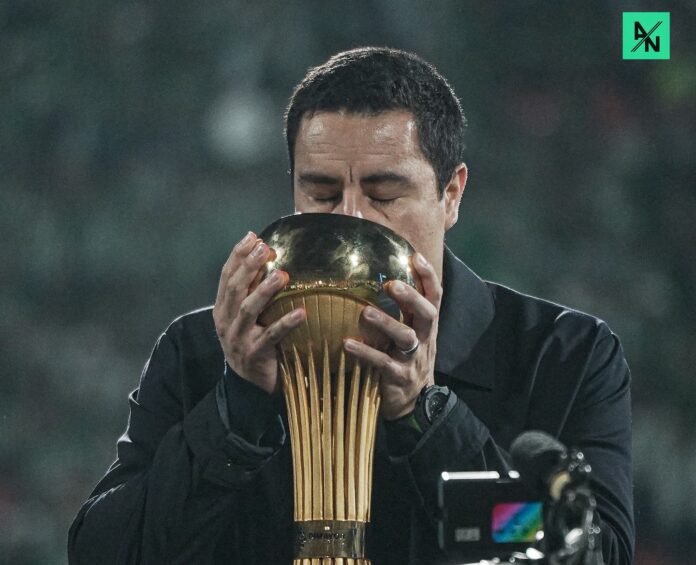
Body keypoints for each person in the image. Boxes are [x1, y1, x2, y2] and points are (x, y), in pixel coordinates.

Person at [68, 47, 633, 564]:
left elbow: (588, 554)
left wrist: (426, 417)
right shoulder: (203, 352)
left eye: (385, 194)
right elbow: (105, 554)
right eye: (321, 193)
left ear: (452, 195)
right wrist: (236, 411)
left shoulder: (562, 356)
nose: (352, 220)